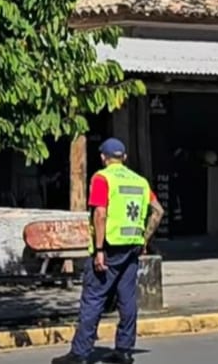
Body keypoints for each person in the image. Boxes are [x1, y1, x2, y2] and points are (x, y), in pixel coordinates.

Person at [53, 138, 164, 364]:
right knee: (127, 300)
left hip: (110, 248)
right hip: (132, 248)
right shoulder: (140, 181)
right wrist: (144, 239)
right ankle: (124, 350)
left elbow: (100, 214)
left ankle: (80, 353)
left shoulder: (102, 178)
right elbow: (158, 211)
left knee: (93, 299)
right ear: (124, 157)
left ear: (103, 158)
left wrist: (100, 249)